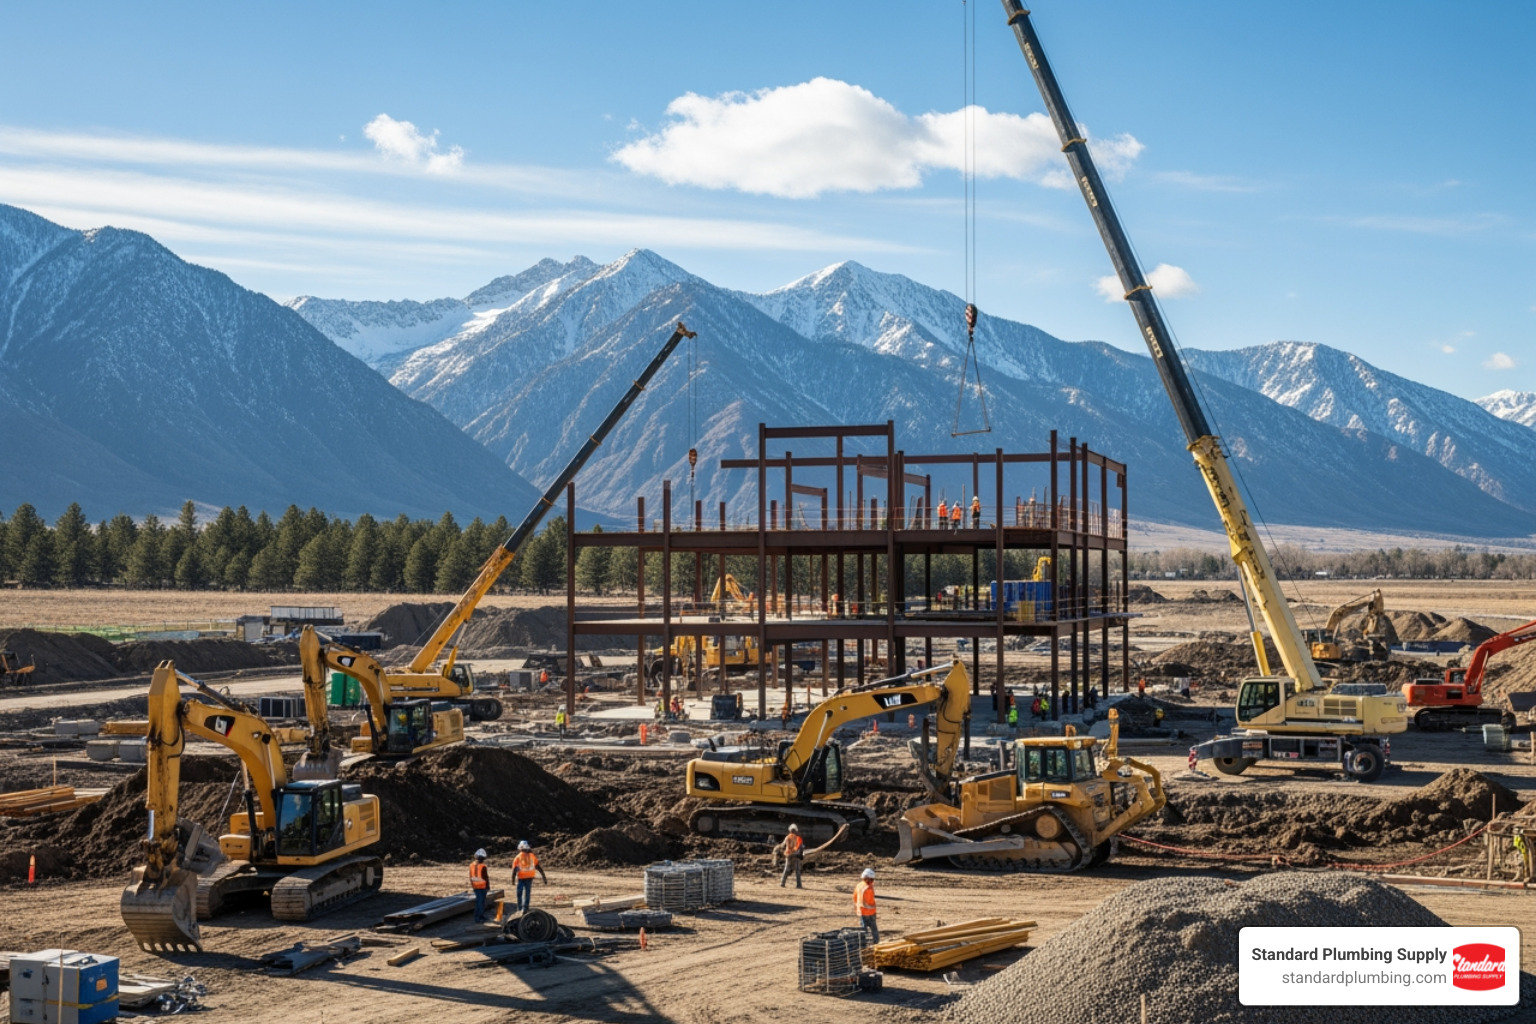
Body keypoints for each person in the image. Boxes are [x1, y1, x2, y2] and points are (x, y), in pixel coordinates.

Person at [511, 840, 548, 914]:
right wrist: (544, 877)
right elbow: (538, 867)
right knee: (527, 892)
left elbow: (514, 870)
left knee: (520, 892)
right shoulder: (531, 856)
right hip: (529, 877)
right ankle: (525, 908)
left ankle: (520, 907)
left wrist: (513, 880)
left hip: (522, 878)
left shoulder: (518, 857)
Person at [854, 868, 879, 944]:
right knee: (874, 929)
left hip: (862, 912)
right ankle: (875, 943)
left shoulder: (859, 885)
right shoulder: (868, 888)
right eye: (871, 880)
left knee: (863, 930)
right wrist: (872, 907)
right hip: (869, 912)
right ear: (867, 878)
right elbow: (867, 901)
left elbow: (855, 897)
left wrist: (857, 907)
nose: (872, 882)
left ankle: (863, 944)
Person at [780, 824, 805, 888]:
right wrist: (801, 854)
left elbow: (782, 846)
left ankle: (782, 883)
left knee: (786, 869)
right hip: (796, 855)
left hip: (788, 855)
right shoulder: (798, 838)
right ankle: (799, 885)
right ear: (796, 831)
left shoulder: (787, 837)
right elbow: (801, 847)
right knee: (797, 870)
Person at [469, 848, 491, 924]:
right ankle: (479, 917)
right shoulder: (483, 866)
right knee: (481, 903)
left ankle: (479, 916)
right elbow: (486, 877)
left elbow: (470, 876)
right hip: (482, 887)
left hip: (475, 886)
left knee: (479, 902)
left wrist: (473, 885)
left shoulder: (471, 865)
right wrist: (488, 886)